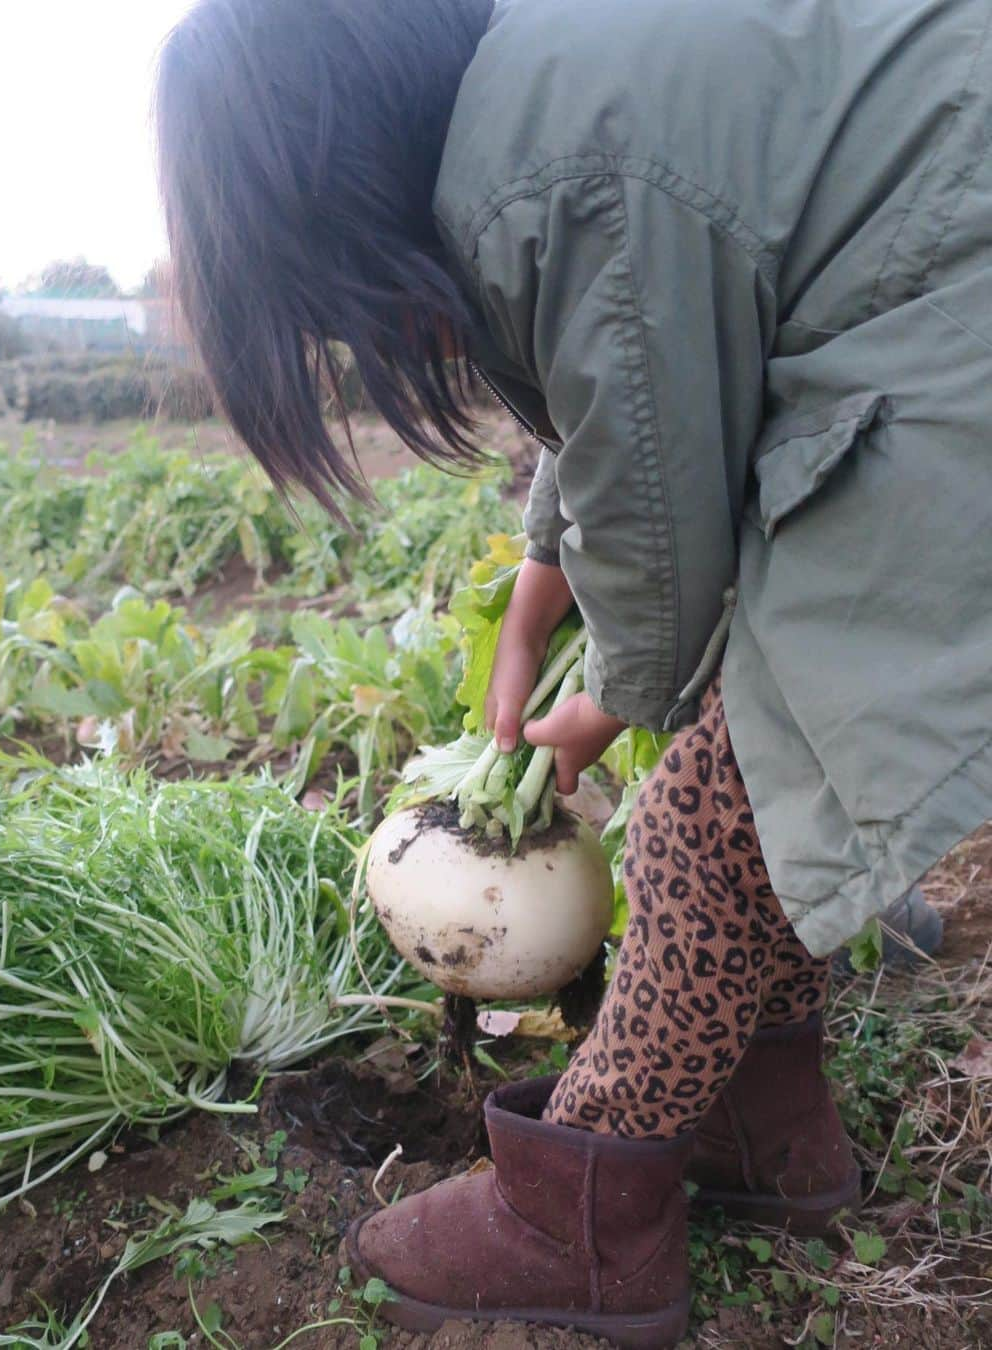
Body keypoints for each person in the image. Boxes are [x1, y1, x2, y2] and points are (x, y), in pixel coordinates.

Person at [156, 0, 990, 1343]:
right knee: (751, 765)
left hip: (959, 323)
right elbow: (631, 392)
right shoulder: (550, 87)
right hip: (938, 258)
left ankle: (579, 1215)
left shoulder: (549, 165)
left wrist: (594, 717)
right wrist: (534, 597)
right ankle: (766, 1132)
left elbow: (662, 552)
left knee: (700, 817)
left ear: (336, 185)